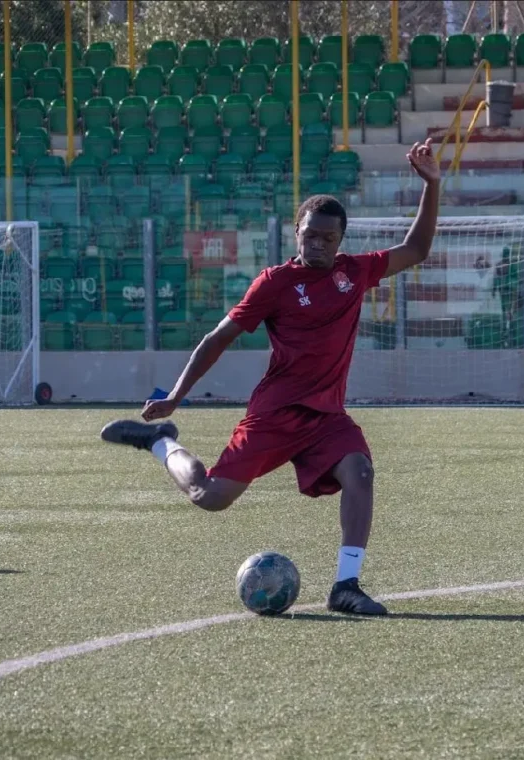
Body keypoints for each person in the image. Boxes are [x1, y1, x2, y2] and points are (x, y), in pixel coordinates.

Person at [100, 139, 441, 616]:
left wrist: (432, 185)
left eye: (327, 238)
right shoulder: (274, 283)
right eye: (309, 235)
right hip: (276, 413)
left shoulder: (355, 273)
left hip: (326, 417)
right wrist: (176, 395)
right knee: (210, 496)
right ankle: (159, 443)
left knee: (360, 471)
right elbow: (218, 338)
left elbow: (418, 248)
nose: (317, 244)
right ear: (296, 233)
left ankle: (346, 586)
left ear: (341, 240)